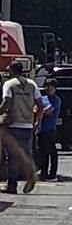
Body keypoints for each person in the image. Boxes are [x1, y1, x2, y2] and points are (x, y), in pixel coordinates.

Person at [0, 62, 42, 194]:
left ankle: (12, 185)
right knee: (26, 153)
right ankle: (31, 176)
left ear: (13, 70)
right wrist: (36, 121)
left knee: (13, 156)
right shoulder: (32, 84)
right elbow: (40, 105)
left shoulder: (9, 84)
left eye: (9, 70)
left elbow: (7, 102)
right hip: (28, 124)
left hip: (13, 124)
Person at [37, 78, 61, 181]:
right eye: (46, 86)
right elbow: (37, 109)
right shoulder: (43, 98)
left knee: (52, 152)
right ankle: (44, 173)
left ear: (55, 88)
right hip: (41, 129)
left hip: (50, 129)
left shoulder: (56, 100)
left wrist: (41, 111)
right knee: (43, 152)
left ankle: (52, 174)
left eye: (50, 87)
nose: (48, 88)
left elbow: (48, 111)